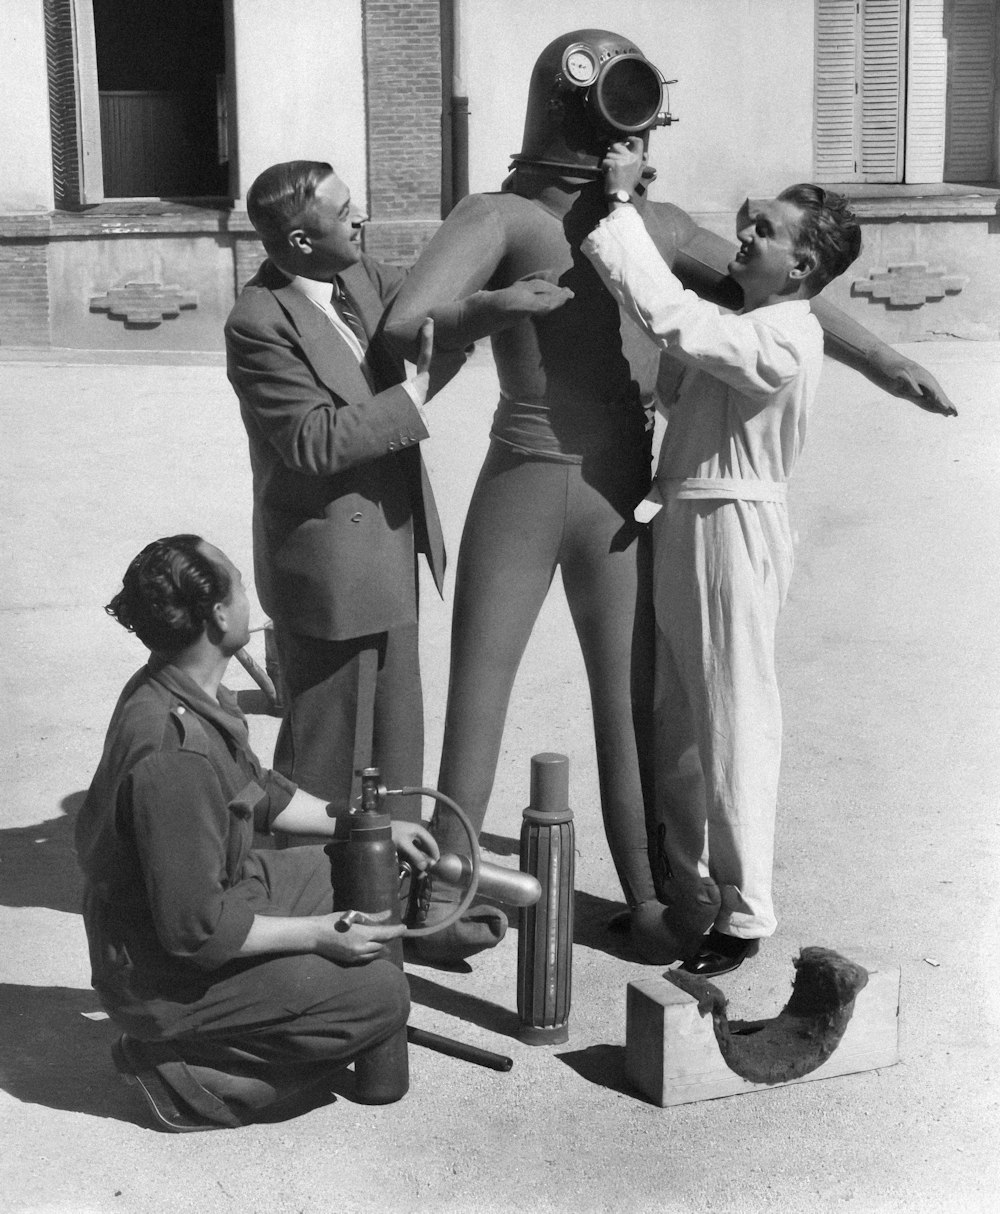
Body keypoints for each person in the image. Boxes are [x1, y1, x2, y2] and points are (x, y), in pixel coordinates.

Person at [382, 29, 957, 965]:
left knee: (633, 707)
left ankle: (648, 894)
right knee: (490, 698)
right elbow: (409, 322)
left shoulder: (618, 223)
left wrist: (887, 357)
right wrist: (489, 312)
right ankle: (447, 892)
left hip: (598, 490)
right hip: (552, 486)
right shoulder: (514, 218)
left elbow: (781, 303)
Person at [224, 156, 569, 968]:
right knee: (324, 759)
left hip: (388, 547)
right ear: (302, 238)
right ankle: (303, 924)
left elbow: (430, 324)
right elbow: (312, 441)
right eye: (349, 212)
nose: (365, 219)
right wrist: (411, 399)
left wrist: (493, 309)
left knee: (396, 754)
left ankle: (396, 909)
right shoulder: (258, 320)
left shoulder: (364, 279)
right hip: (328, 573)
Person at [583, 141, 872, 974]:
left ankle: (746, 915)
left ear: (801, 265)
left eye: (767, 231)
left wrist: (620, 207)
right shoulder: (750, 323)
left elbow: (671, 319)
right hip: (690, 517)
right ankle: (691, 895)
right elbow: (677, 371)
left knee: (733, 717)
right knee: (679, 718)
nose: (745, 233)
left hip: (734, 529)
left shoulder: (787, 335)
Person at [75, 535, 441, 1130]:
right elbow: (197, 932)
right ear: (219, 616)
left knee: (357, 864)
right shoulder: (174, 757)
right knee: (379, 998)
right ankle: (188, 1076)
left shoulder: (181, 687)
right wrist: (319, 937)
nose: (251, 598)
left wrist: (364, 826)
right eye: (241, 586)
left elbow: (261, 790)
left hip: (208, 900)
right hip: (159, 974)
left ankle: (252, 1027)